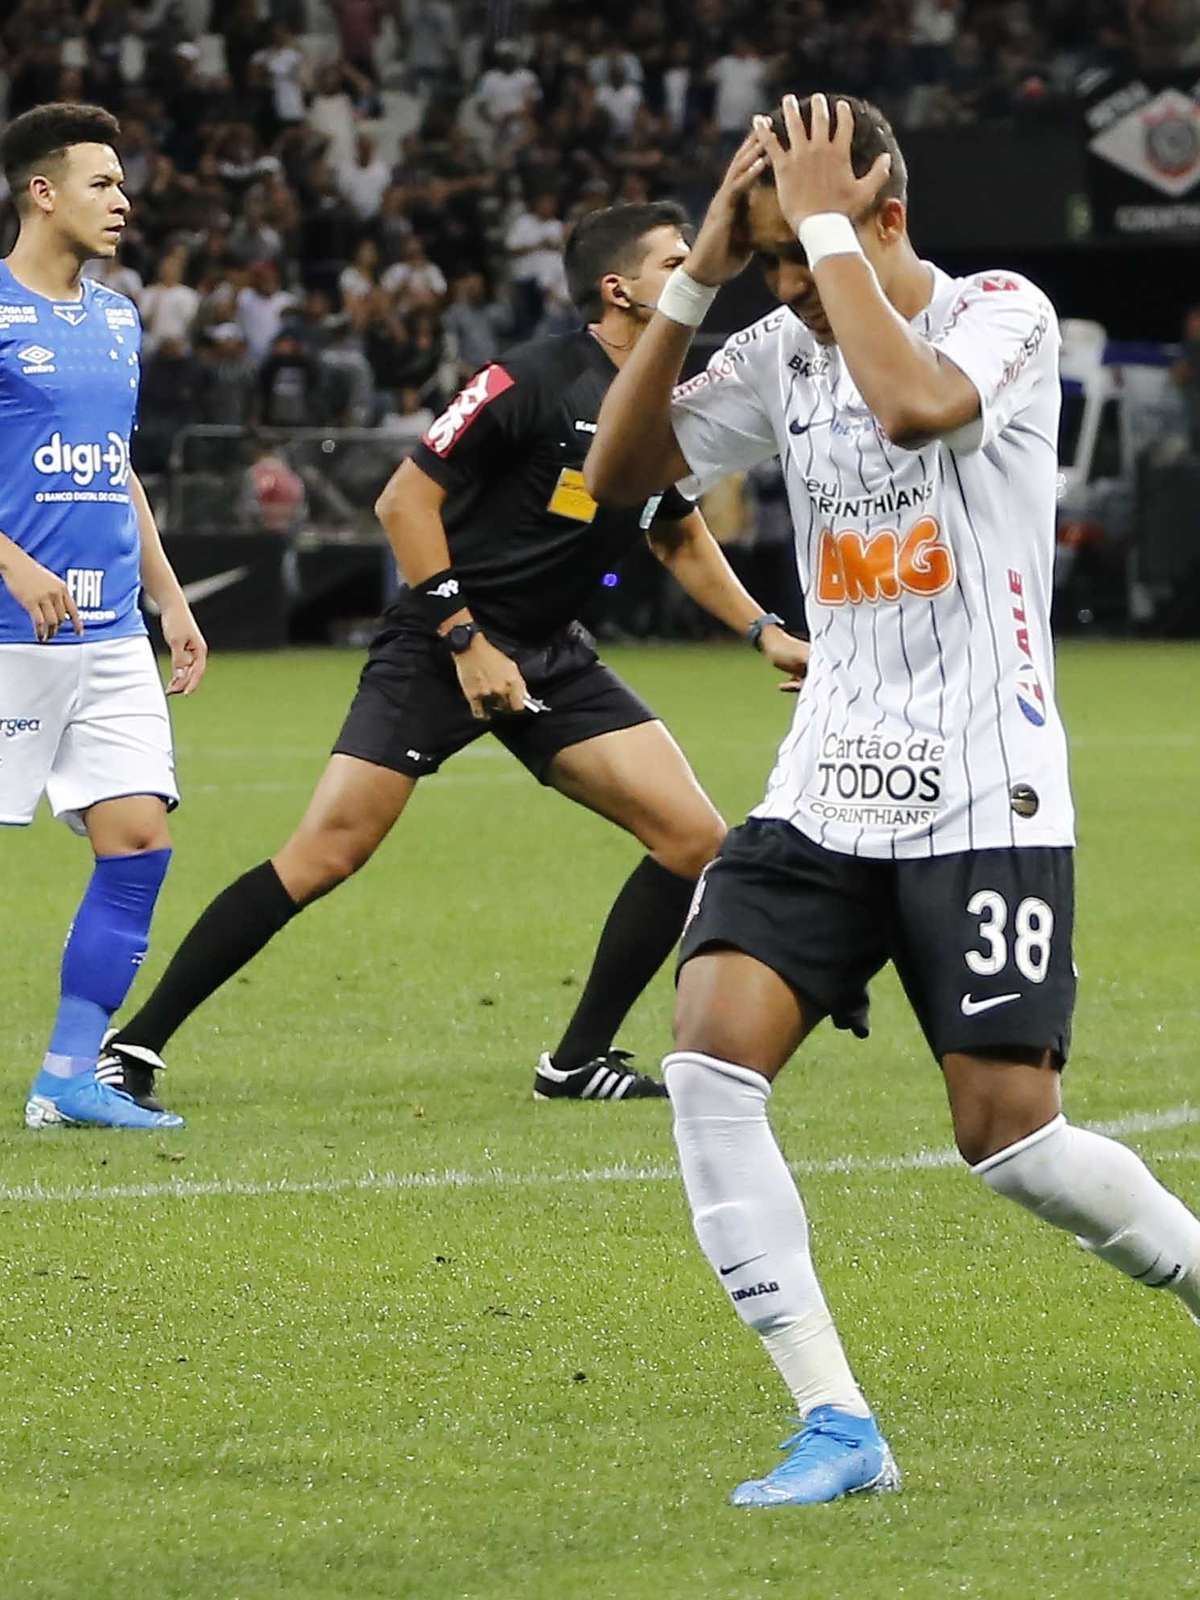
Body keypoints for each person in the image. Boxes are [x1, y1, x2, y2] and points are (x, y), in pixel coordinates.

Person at [585, 94, 1200, 1506]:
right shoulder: (780, 338)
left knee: (1013, 1139)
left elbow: (920, 410)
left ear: (886, 217)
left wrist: (817, 230)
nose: (792, 294)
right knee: (708, 1064)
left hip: (987, 785)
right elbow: (620, 476)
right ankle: (837, 1424)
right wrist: (699, 282)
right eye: (778, 268)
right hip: (825, 784)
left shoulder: (1004, 312)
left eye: (810, 257)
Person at [99, 201, 810, 1109]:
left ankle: (576, 1060)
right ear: (618, 286)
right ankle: (136, 1046)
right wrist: (466, 640)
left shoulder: (667, 401)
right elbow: (403, 504)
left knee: (692, 842)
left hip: (550, 656)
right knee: (325, 854)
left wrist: (762, 629)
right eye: (676, 261)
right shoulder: (528, 378)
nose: (696, 271)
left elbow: (675, 535)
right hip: (441, 646)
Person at [0, 103, 208, 1131]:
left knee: (138, 841)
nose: (124, 201)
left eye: (123, 184)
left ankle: (67, 1077)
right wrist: (9, 560)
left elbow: (114, 468)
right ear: (41, 192)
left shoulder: (120, 318)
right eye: (102, 183)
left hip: (109, 633)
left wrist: (166, 597)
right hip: (7, 634)